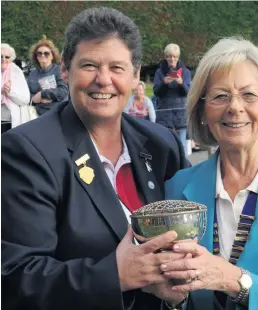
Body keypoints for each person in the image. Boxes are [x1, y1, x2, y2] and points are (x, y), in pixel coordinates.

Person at [1, 7, 190, 310]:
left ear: (135, 74)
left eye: (117, 67)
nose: (103, 80)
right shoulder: (26, 151)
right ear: (65, 69)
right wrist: (115, 276)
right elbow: (15, 278)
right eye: (89, 65)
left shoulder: (161, 144)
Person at [154, 37, 258, 309]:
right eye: (220, 96)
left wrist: (234, 280)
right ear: (202, 110)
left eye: (249, 94)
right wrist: (173, 301)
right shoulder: (177, 190)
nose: (235, 107)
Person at [153, 43, 191, 154]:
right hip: (164, 115)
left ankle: (183, 168)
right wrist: (164, 83)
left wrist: (181, 83)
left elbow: (188, 93)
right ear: (165, 57)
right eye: (169, 56)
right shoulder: (159, 72)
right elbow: (156, 93)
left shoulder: (185, 72)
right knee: (165, 145)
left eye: (174, 56)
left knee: (182, 145)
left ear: (178, 57)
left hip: (181, 115)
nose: (172, 59)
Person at [27, 35, 68, 115]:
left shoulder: (59, 70)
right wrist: (34, 98)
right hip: (36, 114)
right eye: (39, 53)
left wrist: (42, 94)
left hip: (57, 113)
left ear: (52, 56)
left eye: (46, 53)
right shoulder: (32, 74)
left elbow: (63, 91)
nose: (42, 55)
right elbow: (27, 94)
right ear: (36, 56)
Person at [1, 43, 30, 133]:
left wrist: (9, 92)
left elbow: (25, 99)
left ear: (11, 59)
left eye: (7, 57)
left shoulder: (17, 73)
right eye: (1, 56)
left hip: (13, 120)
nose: (3, 59)